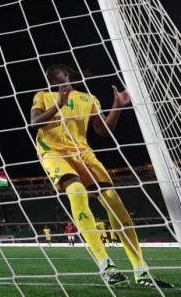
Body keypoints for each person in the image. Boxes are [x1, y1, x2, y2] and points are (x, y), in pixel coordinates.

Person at [30, 63, 173, 288]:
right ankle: (106, 265)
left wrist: (117, 106)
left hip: (83, 153)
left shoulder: (88, 99)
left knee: (113, 201)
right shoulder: (42, 96)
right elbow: (35, 122)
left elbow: (102, 130)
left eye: (53, 75)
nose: (49, 79)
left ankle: (141, 271)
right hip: (53, 152)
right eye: (47, 77)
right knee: (76, 190)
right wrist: (59, 104)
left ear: (67, 76)